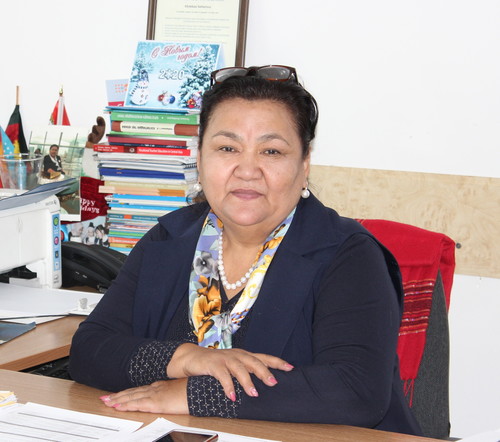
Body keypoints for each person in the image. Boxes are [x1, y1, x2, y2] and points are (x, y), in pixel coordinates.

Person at [69, 65, 422, 435]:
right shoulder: (168, 240)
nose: (248, 170)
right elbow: (89, 350)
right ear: (200, 158)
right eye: (227, 148)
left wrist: (194, 395)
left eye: (271, 151)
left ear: (304, 165)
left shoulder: (348, 254)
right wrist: (184, 358)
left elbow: (356, 391)